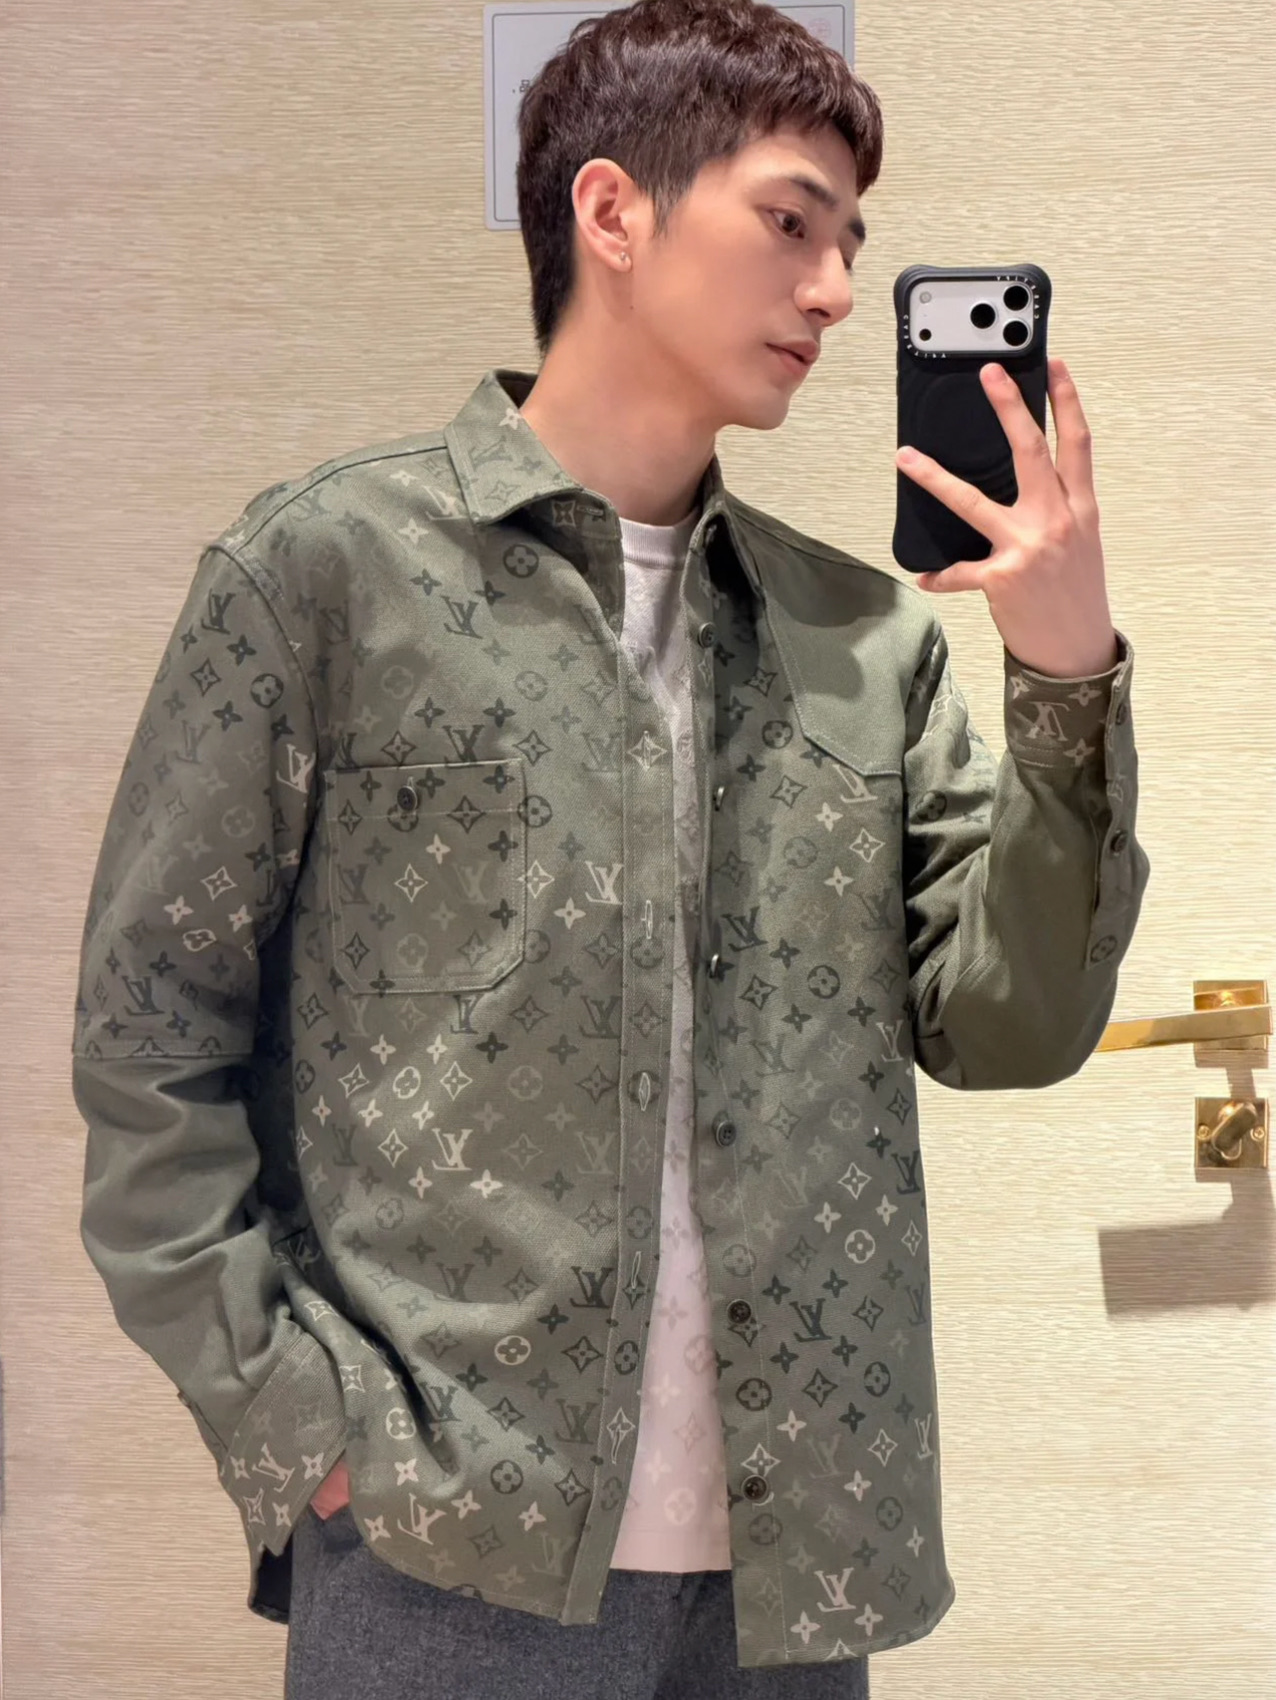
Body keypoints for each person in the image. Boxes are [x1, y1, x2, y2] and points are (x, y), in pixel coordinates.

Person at [69, 2, 1149, 1696]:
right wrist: (297, 1424)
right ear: (613, 212)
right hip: (441, 1550)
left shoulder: (862, 639)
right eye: (791, 221)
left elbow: (1009, 1028)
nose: (835, 291)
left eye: (853, 246)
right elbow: (149, 1035)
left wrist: (1066, 671)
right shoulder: (328, 578)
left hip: (793, 1569)